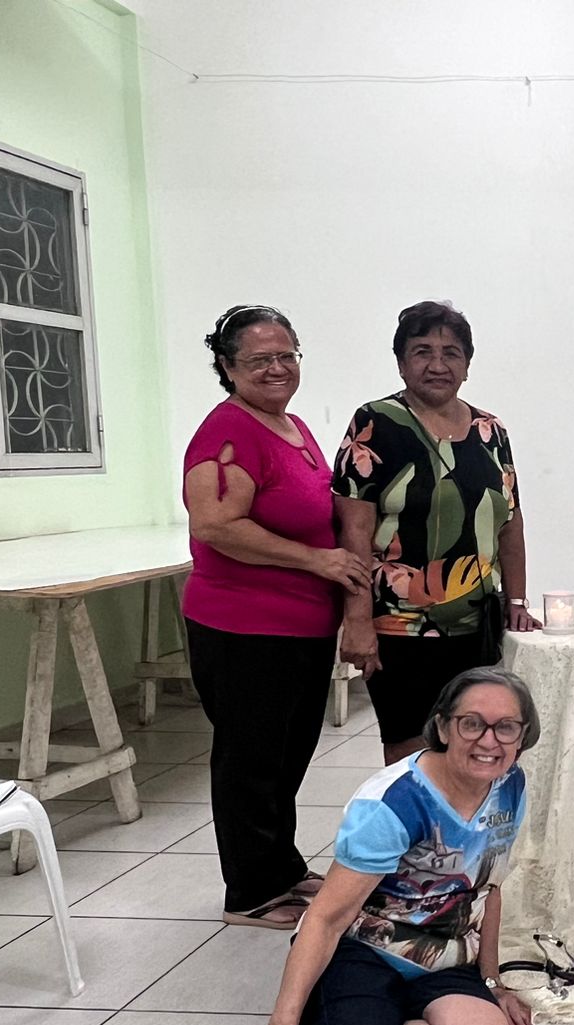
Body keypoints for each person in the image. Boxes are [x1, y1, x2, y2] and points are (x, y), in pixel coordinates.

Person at [85, 668, 539, 1025]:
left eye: (506, 727)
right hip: (360, 952)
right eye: (472, 723)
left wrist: (492, 982)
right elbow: (323, 919)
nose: (489, 740)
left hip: (442, 956)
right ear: (443, 727)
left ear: (522, 736)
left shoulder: (508, 785)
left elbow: (489, 887)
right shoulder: (392, 803)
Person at [182, 304, 372, 930]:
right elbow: (216, 525)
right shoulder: (227, 433)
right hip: (244, 627)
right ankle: (250, 891)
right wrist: (317, 560)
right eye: (259, 358)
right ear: (227, 366)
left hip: (299, 627)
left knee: (284, 757)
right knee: (250, 761)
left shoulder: (290, 426)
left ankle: (280, 867)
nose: (276, 367)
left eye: (286, 355)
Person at [334, 301, 541, 765]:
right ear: (401, 361)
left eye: (451, 353)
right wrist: (357, 620)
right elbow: (353, 531)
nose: (437, 364)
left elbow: (509, 521)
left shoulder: (490, 431)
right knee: (414, 754)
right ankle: (415, 818)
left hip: (478, 627)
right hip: (400, 627)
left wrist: (516, 600)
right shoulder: (376, 423)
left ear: (467, 365)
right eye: (422, 351)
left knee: (478, 747)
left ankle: (466, 819)